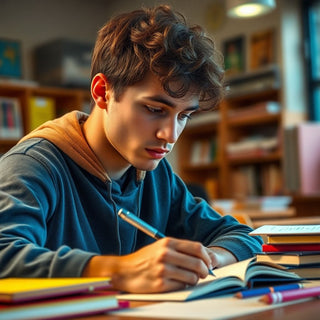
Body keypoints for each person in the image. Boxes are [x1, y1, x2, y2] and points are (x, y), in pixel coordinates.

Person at [0, 5, 262, 293]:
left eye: (184, 115)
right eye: (154, 109)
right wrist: (121, 271)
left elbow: (240, 234)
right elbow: (5, 254)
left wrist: (204, 261)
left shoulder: (156, 174)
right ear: (102, 92)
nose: (170, 135)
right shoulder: (32, 167)